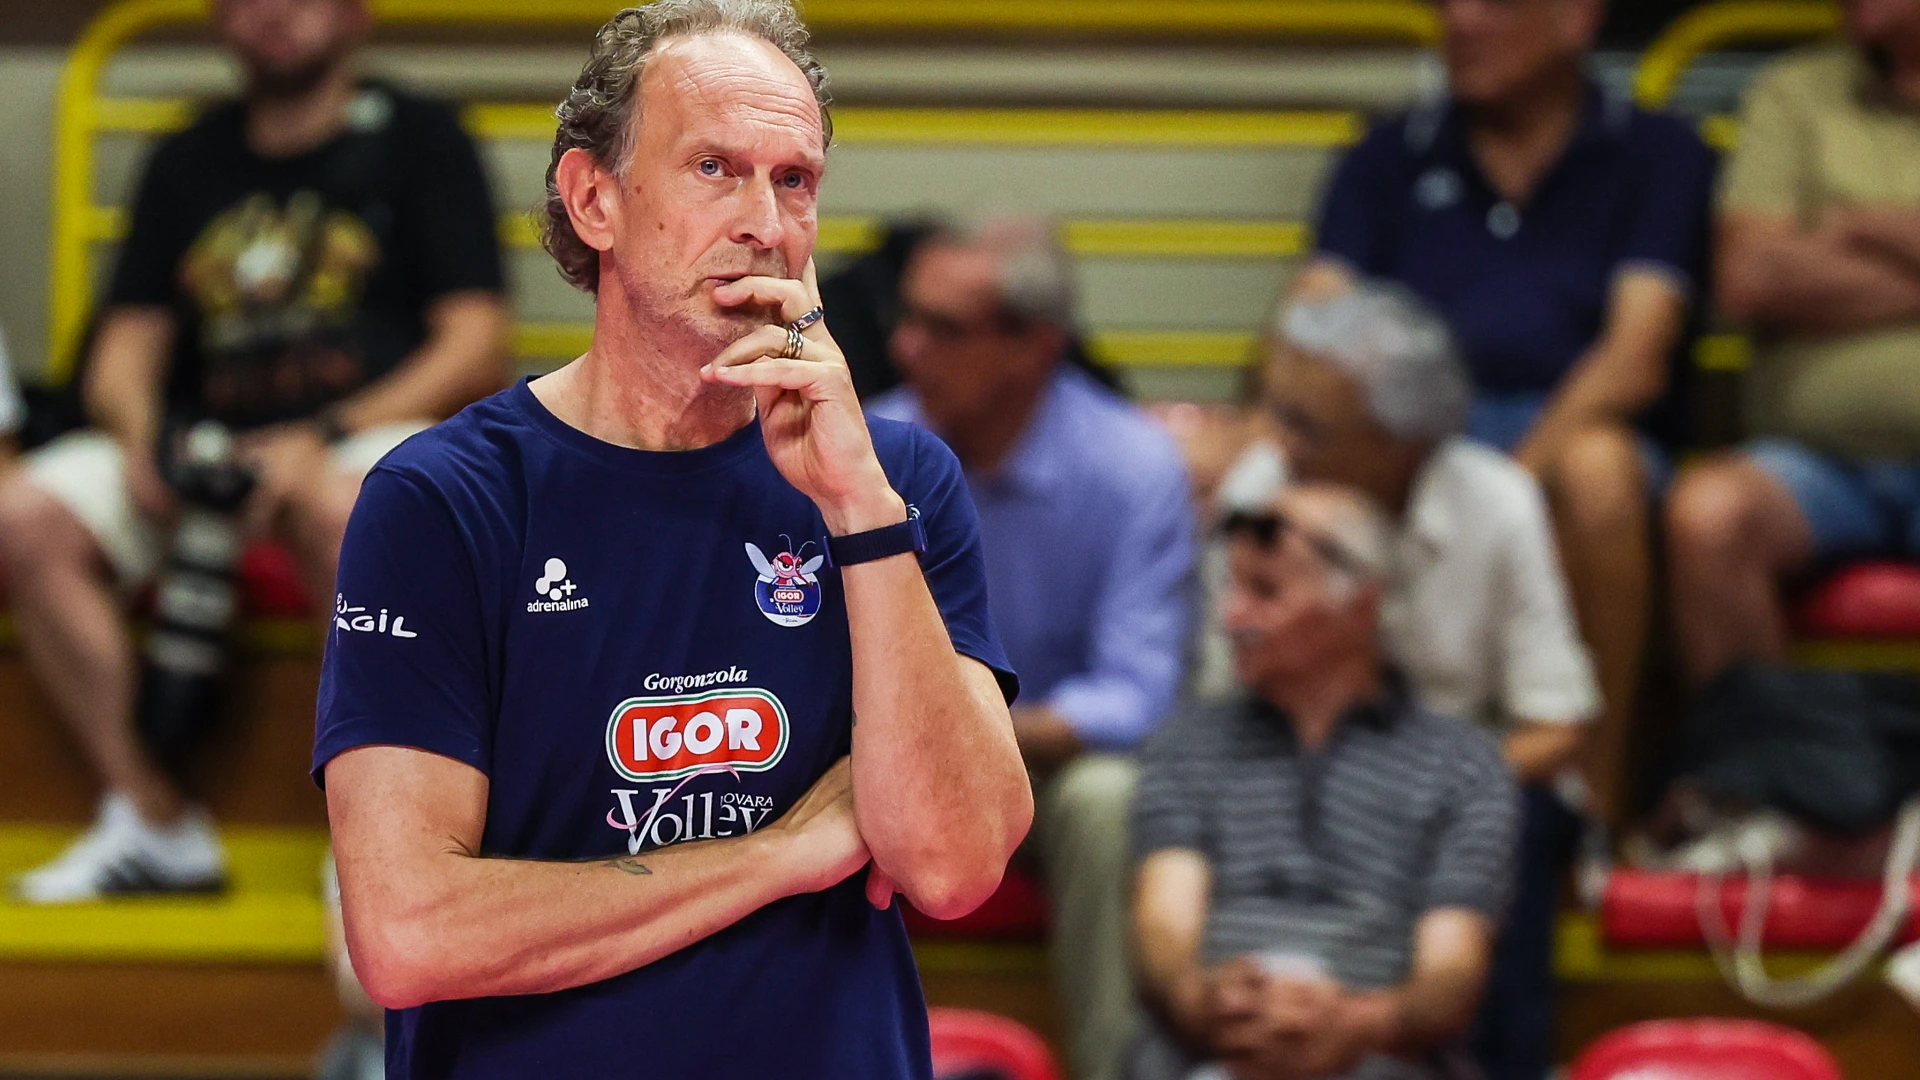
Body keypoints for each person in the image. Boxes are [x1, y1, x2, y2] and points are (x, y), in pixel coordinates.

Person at [316, 4, 1034, 1077]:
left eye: (795, 181)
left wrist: (856, 511)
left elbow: (955, 865)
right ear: (593, 199)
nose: (764, 222)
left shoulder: (897, 484)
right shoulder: (443, 498)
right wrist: (784, 852)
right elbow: (409, 933)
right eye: (714, 169)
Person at [0, 0, 508, 904]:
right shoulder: (187, 153)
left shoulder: (423, 139)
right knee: (25, 512)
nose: (270, 8)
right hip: (205, 452)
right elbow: (125, 347)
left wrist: (323, 438)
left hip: (361, 437)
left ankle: (378, 841)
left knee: (357, 508)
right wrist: (145, 444)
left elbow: (474, 346)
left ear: (355, 12)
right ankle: (151, 820)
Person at [1300, 0, 1716, 836]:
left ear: (1576, 18)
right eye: (1447, 3)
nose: (1461, 20)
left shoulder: (1658, 153)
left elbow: (1634, 358)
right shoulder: (1389, 153)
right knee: (1240, 465)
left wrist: (1502, 489)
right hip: (1411, 427)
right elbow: (1315, 325)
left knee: (1599, 471)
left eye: (1494, 2)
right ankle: (1296, 810)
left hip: (1570, 434)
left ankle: (1588, 815)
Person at [869, 216, 1196, 1080]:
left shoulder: (1131, 468)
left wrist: (972, 732)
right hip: (886, 763)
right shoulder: (864, 453)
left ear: (1034, 345)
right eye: (908, 316)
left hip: (1043, 768)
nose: (905, 348)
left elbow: (1139, 695)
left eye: (942, 327)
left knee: (1109, 799)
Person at [1250, 282, 1597, 1080]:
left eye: (1307, 425)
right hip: (1292, 768)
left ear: (1400, 443)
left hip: (1463, 779)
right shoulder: (1260, 496)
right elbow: (1222, 705)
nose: (1279, 444)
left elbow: (1559, 725)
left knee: (1513, 828)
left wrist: (1428, 790)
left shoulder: (1498, 504)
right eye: (1278, 411)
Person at [1131, 482, 1518, 1080]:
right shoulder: (1184, 746)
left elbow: (1452, 969)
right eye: (1232, 587)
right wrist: (1209, 1001)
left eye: (1265, 591)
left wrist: (1355, 1026)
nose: (1231, 616)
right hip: (1211, 1049)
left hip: (1383, 1060)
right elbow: (1164, 929)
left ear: (1360, 604)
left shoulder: (1463, 765)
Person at [1667, 0, 1920, 690]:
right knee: (1708, 516)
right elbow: (1752, 278)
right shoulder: (1795, 92)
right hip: (1817, 464)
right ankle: (1767, 754)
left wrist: (1861, 227)